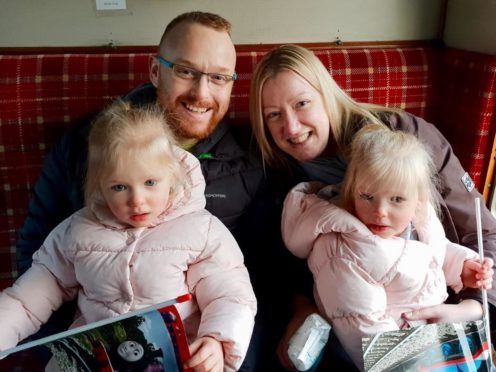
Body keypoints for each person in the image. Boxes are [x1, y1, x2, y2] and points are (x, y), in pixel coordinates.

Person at [16, 11, 296, 371]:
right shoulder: (86, 145)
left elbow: (260, 277)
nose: (201, 92)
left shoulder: (251, 161)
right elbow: (36, 257)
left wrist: (221, 347)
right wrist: (72, 352)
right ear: (155, 70)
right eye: (186, 71)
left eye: (218, 77)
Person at [249, 44, 496, 369]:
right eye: (274, 115)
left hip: (443, 306)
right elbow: (274, 262)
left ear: (327, 95)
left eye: (302, 104)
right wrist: (299, 306)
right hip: (354, 327)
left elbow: (481, 232)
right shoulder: (277, 176)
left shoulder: (405, 138)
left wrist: (474, 306)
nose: (292, 127)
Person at [1, 101, 257, 372]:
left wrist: (217, 341)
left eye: (150, 183)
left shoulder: (201, 230)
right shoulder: (76, 231)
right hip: (96, 360)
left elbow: (230, 295)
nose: (137, 201)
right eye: (120, 186)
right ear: (99, 184)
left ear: (171, 176)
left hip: (177, 360)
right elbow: (26, 300)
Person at [281, 124, 493, 370]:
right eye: (367, 197)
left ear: (418, 199)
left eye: (397, 200)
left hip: (430, 340)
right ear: (352, 192)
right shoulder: (340, 249)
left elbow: (436, 254)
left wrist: (465, 267)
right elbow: (364, 331)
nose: (380, 212)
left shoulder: (420, 219)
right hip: (384, 355)